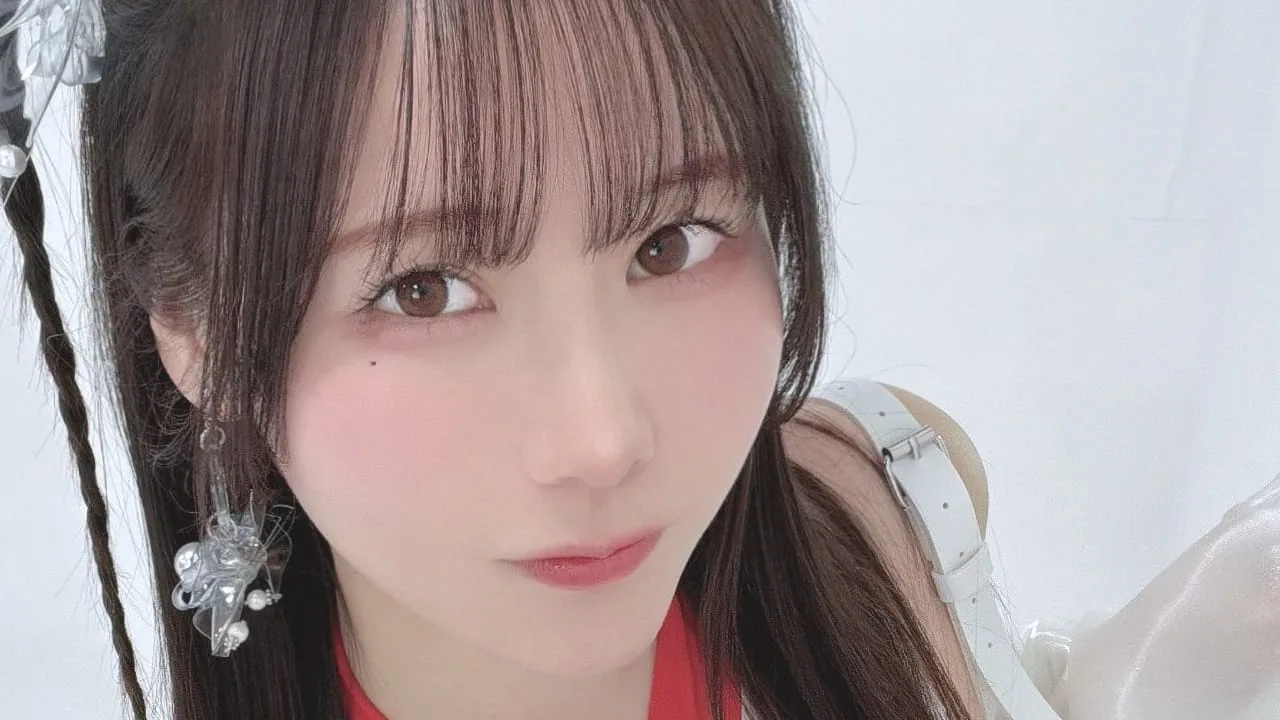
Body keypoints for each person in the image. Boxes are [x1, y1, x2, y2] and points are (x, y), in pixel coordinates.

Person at [1, 1, 983, 718]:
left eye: (670, 242)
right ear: (193, 330)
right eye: (422, 290)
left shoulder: (899, 507)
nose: (601, 442)